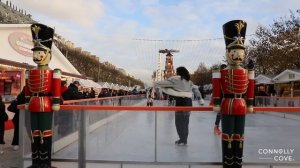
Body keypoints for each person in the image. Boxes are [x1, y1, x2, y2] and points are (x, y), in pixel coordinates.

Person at [212, 20, 254, 168]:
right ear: (228, 53)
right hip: (227, 105)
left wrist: (249, 104)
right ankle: (228, 162)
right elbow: (217, 88)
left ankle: (238, 162)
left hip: (241, 105)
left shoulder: (247, 72)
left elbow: (250, 88)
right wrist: (216, 103)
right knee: (228, 136)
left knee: (240, 136)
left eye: (241, 51)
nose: (238, 55)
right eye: (234, 51)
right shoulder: (221, 72)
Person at [25, 23, 62, 168]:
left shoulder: (55, 72)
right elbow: (28, 89)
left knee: (45, 133)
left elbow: (56, 88)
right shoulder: (30, 71)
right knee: (34, 134)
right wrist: (28, 101)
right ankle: (36, 161)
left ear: (48, 55)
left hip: (46, 103)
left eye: (40, 53)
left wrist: (56, 101)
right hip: (34, 103)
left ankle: (45, 162)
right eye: (35, 53)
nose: (37, 56)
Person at [154, 66, 202, 146]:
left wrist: (156, 83)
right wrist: (200, 99)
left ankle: (181, 139)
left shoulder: (176, 80)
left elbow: (163, 83)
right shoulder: (189, 81)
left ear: (179, 72)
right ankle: (184, 140)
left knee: (178, 122)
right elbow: (195, 90)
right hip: (188, 102)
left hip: (181, 101)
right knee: (185, 122)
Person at [213, 64, 227, 136]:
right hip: (220, 98)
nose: (223, 70)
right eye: (222, 69)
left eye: (224, 68)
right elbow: (216, 88)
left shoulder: (227, 77)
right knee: (220, 114)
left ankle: (222, 128)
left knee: (225, 114)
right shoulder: (218, 77)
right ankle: (216, 127)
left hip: (227, 98)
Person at [11, 86, 26, 151]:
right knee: (19, 131)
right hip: (21, 116)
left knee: (17, 131)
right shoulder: (24, 97)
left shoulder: (20, 95)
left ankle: (17, 144)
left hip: (18, 117)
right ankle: (16, 144)